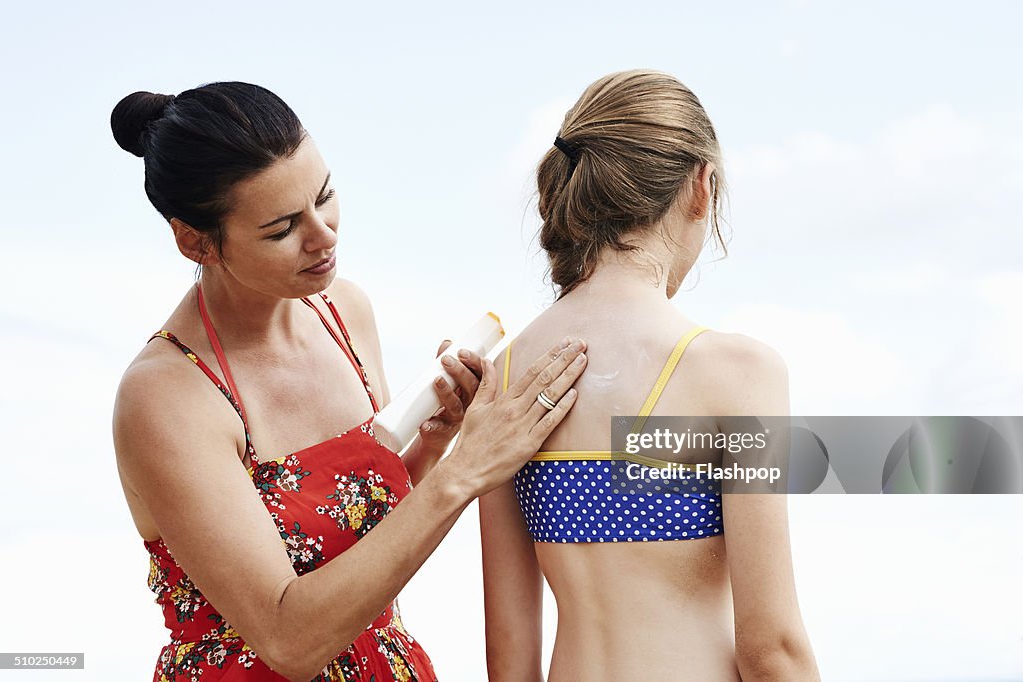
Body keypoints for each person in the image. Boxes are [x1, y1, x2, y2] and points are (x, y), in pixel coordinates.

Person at [110, 82, 588, 681]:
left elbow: (360, 525)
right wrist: (469, 471)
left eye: (325, 195)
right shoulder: (167, 396)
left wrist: (438, 440)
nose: (324, 235)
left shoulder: (345, 314)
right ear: (194, 241)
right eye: (282, 228)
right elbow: (288, 639)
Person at [479, 70, 820, 681]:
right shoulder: (736, 374)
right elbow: (772, 648)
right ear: (700, 187)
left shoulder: (507, 374)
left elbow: (508, 657)